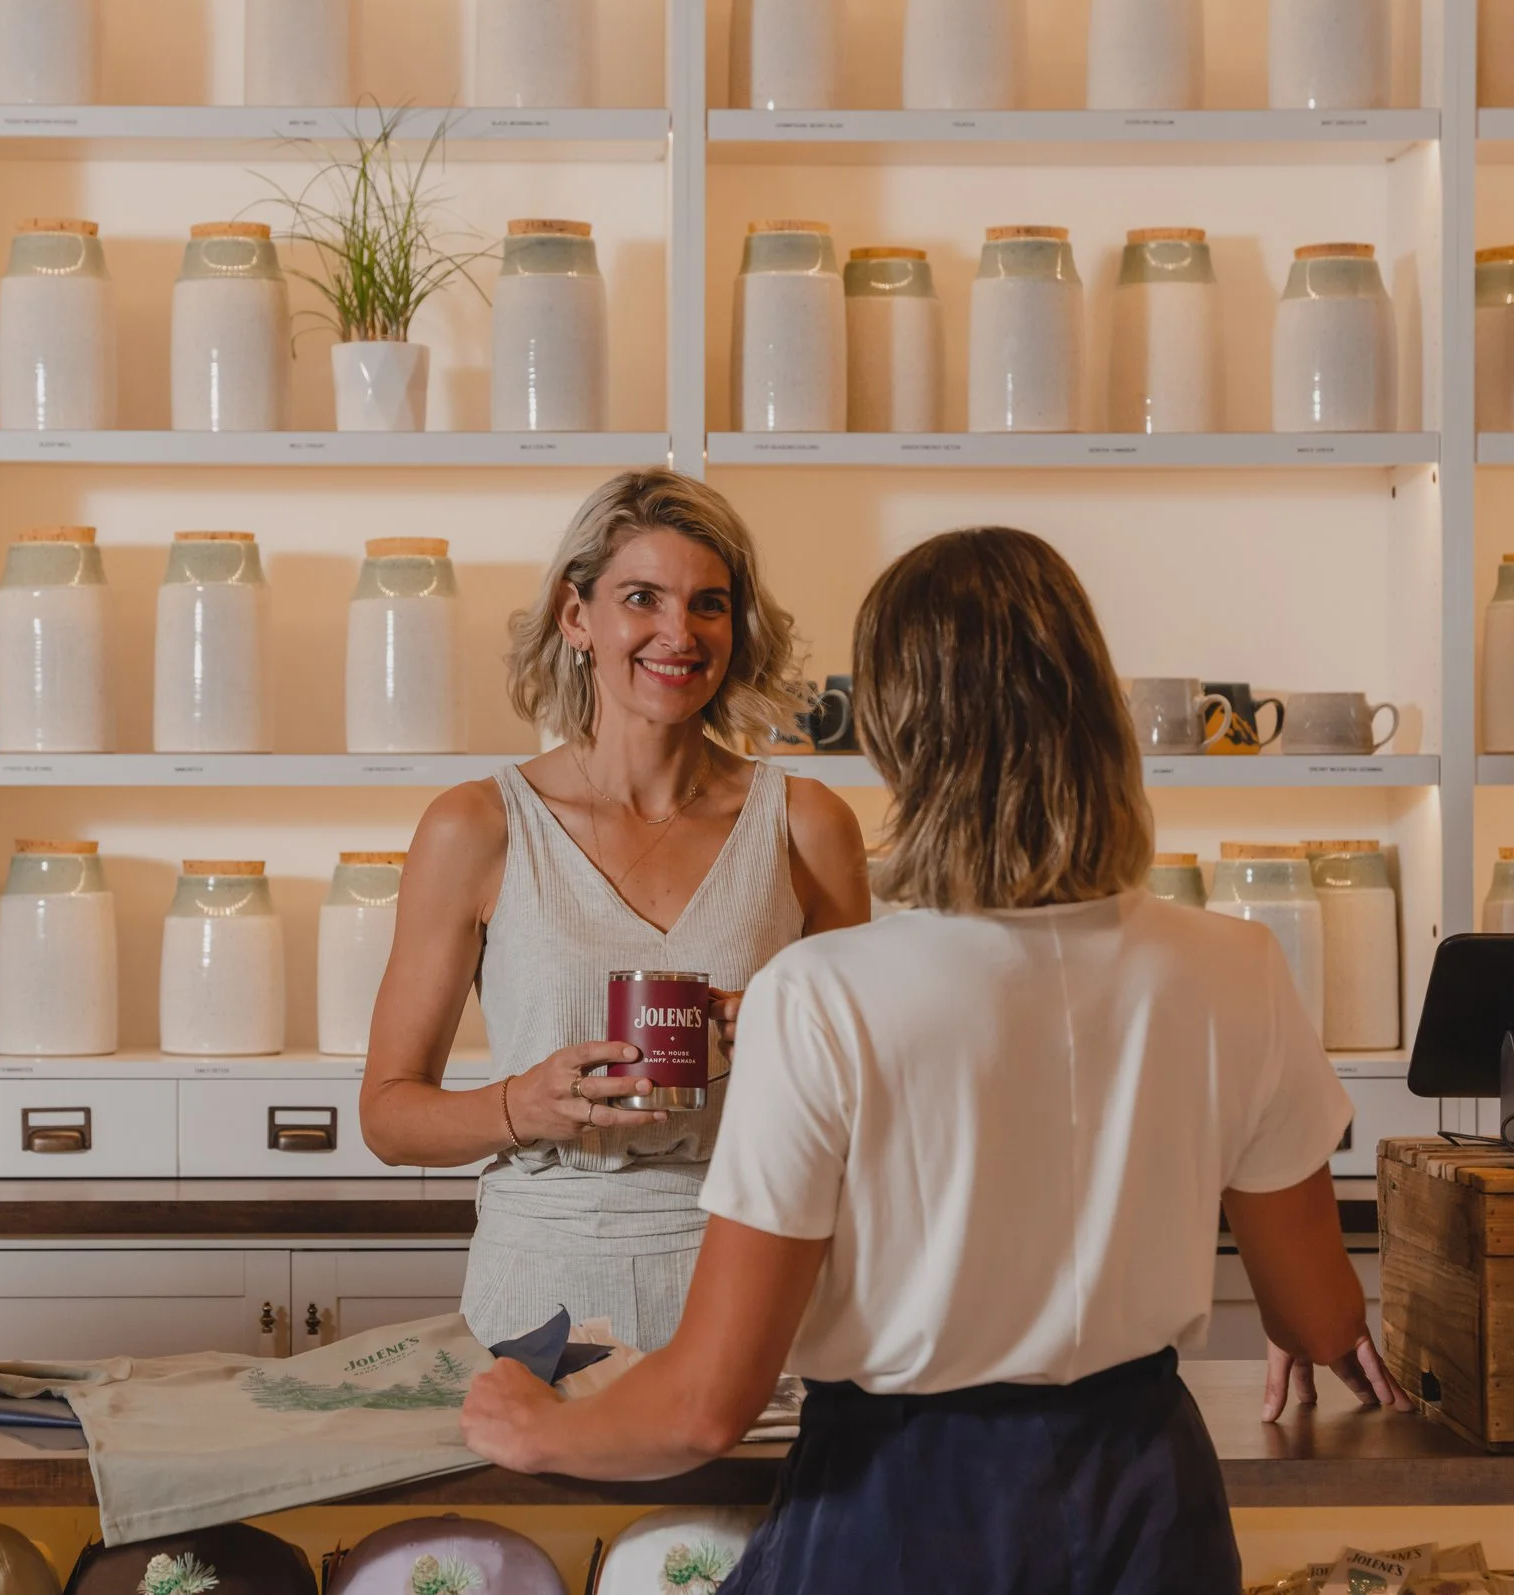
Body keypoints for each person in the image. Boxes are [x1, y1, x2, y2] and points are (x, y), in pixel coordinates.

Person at [460, 527, 1398, 1594]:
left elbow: (703, 1405)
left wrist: (538, 1426)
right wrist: (1293, 1312)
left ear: (900, 730)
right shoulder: (1238, 964)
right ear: (1093, 707)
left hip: (901, 1503)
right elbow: (1320, 1318)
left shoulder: (821, 994)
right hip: (1145, 1502)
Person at [358, 469, 869, 1352]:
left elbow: (872, 1092)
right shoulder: (477, 826)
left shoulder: (808, 822)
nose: (680, 633)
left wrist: (785, 1037)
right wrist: (526, 1104)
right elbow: (388, 1114)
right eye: (643, 598)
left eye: (708, 603)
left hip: (754, 1278)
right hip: (541, 1288)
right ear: (575, 616)